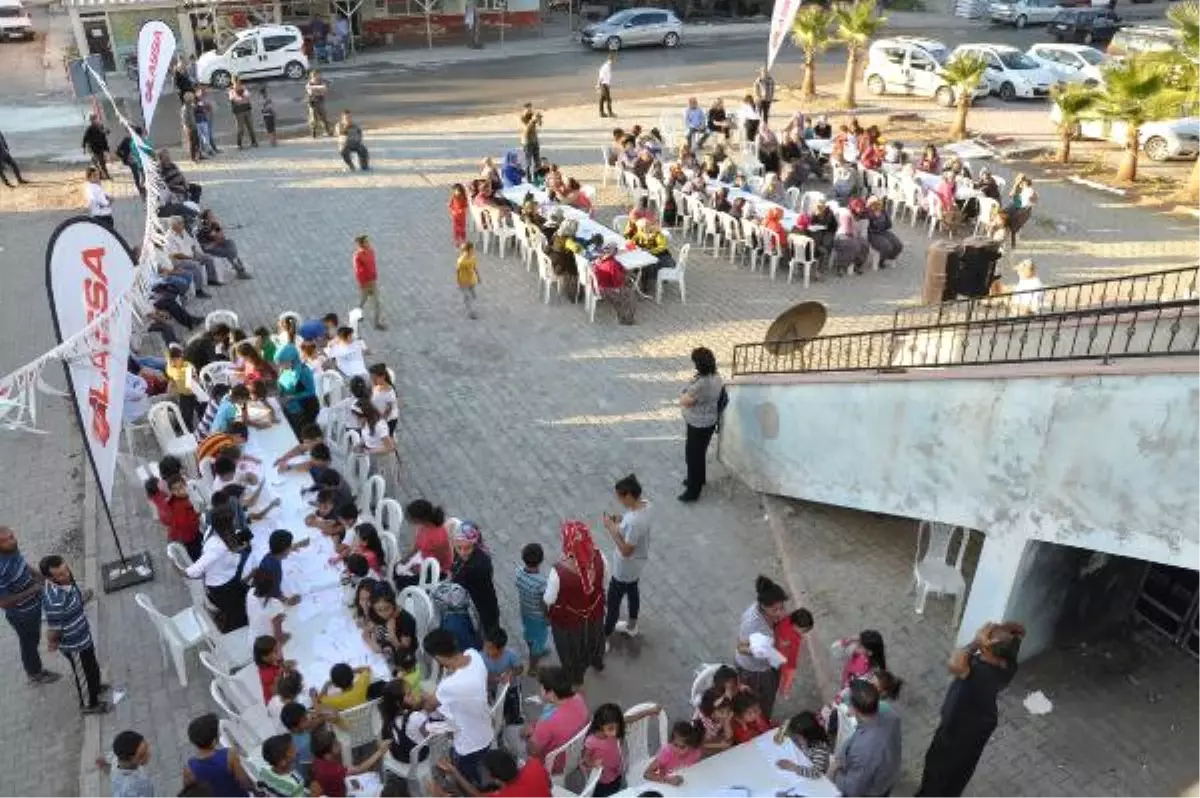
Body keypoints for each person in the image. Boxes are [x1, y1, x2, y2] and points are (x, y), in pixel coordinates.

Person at [915, 621, 1025, 798]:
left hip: (954, 736)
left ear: (989, 646)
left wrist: (975, 642)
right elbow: (1020, 631)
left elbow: (954, 664)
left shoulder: (975, 673)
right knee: (958, 778)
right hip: (977, 731)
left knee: (936, 780)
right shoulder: (1008, 665)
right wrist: (1001, 631)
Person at [424, 628, 494, 786]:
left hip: (467, 744)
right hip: (486, 730)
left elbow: (429, 706)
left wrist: (426, 696)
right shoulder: (474, 655)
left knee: (466, 780)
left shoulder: (449, 685)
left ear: (438, 657)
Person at [39, 555, 108, 714]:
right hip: (73, 644)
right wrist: (52, 642)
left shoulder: (67, 581)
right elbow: (54, 630)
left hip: (83, 635)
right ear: (50, 578)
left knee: (91, 665)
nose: (67, 576)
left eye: (66, 570)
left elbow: (77, 598)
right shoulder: (54, 600)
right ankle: (89, 705)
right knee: (82, 673)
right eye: (61, 575)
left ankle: (96, 687)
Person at [545, 521, 608, 688]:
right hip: (594, 613)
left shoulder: (557, 573)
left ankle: (576, 677)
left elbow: (549, 600)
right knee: (595, 639)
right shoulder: (600, 556)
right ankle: (597, 661)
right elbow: (603, 582)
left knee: (570, 650)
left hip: (569, 620)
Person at [183, 506, 252, 632]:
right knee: (243, 615)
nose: (235, 522)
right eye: (233, 520)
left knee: (250, 594)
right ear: (227, 525)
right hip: (223, 588)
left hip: (229, 580)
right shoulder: (216, 547)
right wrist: (179, 569)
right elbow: (193, 572)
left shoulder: (213, 531)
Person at [830, 682, 902, 798]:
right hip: (887, 777)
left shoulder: (865, 749)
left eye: (848, 704)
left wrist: (835, 773)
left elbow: (853, 790)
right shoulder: (890, 714)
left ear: (853, 710)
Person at [601, 474, 650, 639]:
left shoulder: (634, 522)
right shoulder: (646, 505)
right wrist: (621, 521)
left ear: (629, 495)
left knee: (613, 603)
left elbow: (626, 550)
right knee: (633, 590)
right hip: (638, 564)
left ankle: (605, 636)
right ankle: (632, 625)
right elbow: (629, 525)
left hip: (624, 568)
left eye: (620, 497)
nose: (620, 501)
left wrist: (611, 528)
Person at [735, 575, 789, 719]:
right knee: (760, 704)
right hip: (755, 672)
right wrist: (758, 651)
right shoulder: (753, 625)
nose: (780, 613)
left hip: (768, 664)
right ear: (764, 607)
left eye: (781, 607)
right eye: (775, 610)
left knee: (769, 697)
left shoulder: (765, 611)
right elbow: (741, 647)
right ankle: (762, 725)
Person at [677, 347, 724, 503]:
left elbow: (685, 401)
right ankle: (699, 479)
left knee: (692, 457)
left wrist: (684, 391)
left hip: (698, 424)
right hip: (710, 422)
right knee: (700, 453)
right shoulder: (717, 377)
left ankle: (693, 491)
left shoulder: (700, 384)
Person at [527, 666, 589, 770]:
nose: (540, 689)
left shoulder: (546, 722)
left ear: (551, 693)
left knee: (514, 735)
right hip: (575, 754)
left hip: (554, 765)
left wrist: (530, 735)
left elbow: (533, 752)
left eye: (541, 686)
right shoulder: (579, 699)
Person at [183, 713, 254, 797]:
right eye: (218, 733)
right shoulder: (229, 755)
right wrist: (255, 790)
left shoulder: (189, 769)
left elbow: (190, 792)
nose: (219, 734)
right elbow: (244, 781)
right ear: (213, 741)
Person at [436, 749, 551, 798]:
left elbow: (477, 796)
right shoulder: (534, 765)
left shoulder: (505, 795)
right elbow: (549, 784)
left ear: (494, 778)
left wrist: (454, 771)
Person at [310, 727, 388, 798]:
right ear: (327, 755)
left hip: (340, 787)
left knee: (371, 777)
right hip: (343, 794)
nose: (339, 743)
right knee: (377, 787)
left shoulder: (317, 760)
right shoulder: (333, 771)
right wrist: (380, 752)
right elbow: (359, 769)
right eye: (336, 744)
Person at [451, 521, 499, 633]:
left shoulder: (479, 565)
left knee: (489, 628)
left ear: (474, 545)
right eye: (459, 548)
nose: (462, 552)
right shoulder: (463, 555)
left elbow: (462, 579)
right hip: (472, 599)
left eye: (467, 548)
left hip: (483, 602)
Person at [146, 473, 202, 560]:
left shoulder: (155, 499)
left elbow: (159, 517)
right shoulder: (172, 501)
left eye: (181, 487)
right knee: (195, 551)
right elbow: (187, 523)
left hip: (179, 532)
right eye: (176, 489)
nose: (180, 490)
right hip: (188, 535)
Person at [516, 543, 550, 669]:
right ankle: (533, 667)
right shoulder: (541, 583)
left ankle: (532, 647)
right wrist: (547, 617)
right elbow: (543, 603)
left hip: (525, 611)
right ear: (541, 560)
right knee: (539, 640)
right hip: (538, 617)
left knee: (529, 633)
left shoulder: (518, 572)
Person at [275, 344, 319, 435]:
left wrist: (293, 397)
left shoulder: (304, 371)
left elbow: (311, 392)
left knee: (301, 434)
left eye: (283, 363)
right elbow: (284, 383)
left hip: (306, 408)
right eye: (279, 363)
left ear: (292, 359)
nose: (281, 366)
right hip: (291, 408)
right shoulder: (286, 369)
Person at [643, 721, 704, 786]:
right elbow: (647, 774)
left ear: (691, 746)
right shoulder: (666, 753)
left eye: (682, 747)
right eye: (675, 745)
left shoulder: (695, 752)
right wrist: (668, 780)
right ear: (671, 741)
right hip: (667, 785)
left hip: (688, 783)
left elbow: (697, 768)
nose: (677, 750)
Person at [774, 711, 832, 778]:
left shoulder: (820, 749)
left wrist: (794, 767)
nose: (797, 739)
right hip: (805, 762)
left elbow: (816, 773)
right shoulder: (807, 739)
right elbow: (789, 731)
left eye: (799, 737)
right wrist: (782, 733)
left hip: (814, 773)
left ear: (808, 736)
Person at [104, 729, 154, 798]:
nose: (148, 755)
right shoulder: (128, 790)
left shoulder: (117, 756)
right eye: (141, 756)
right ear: (130, 759)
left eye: (147, 749)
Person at [245, 568, 288, 643]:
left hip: (252, 638)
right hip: (267, 644)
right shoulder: (275, 604)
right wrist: (287, 636)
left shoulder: (250, 593)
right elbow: (278, 637)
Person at [864, 196, 902, 267]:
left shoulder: (883, 211)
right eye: (874, 204)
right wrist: (874, 216)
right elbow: (865, 226)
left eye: (878, 203)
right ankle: (880, 261)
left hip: (884, 232)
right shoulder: (867, 213)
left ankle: (889, 257)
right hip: (873, 234)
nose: (876, 205)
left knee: (898, 245)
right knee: (887, 246)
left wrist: (884, 217)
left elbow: (889, 225)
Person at [114, 126, 144, 197]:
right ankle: (140, 190)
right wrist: (125, 157)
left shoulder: (140, 141)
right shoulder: (126, 140)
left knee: (142, 174)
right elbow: (118, 151)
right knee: (136, 175)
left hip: (140, 160)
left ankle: (143, 188)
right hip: (132, 161)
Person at [84, 166, 115, 230]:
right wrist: (110, 201)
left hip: (98, 217)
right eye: (94, 176)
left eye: (97, 175)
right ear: (89, 178)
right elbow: (104, 203)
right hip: (104, 218)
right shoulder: (95, 188)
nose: (97, 177)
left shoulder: (90, 187)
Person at [228, 79, 257, 149]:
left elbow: (247, 100)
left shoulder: (244, 89)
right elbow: (236, 102)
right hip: (238, 112)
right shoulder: (231, 92)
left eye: (238, 83)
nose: (237, 85)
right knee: (240, 129)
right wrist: (242, 100)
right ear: (233, 83)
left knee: (250, 127)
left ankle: (254, 142)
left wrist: (241, 100)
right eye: (236, 83)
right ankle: (239, 144)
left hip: (247, 110)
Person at [457, 240, 481, 320]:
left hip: (471, 280)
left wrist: (478, 277)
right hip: (463, 281)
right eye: (472, 249)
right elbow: (458, 271)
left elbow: (475, 267)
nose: (473, 251)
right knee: (468, 296)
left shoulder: (473, 258)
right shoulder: (461, 261)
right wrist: (459, 282)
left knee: (474, 296)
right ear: (468, 250)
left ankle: (467, 301)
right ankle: (471, 312)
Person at [305, 71, 334, 137]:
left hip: (320, 101)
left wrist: (320, 89)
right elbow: (311, 91)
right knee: (313, 119)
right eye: (315, 76)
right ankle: (313, 132)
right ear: (312, 76)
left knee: (323, 117)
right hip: (312, 103)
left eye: (318, 75)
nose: (317, 77)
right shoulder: (309, 83)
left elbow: (324, 90)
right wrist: (320, 89)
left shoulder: (321, 81)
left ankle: (327, 131)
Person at [519, 103, 543, 177]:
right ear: (524, 109)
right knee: (528, 162)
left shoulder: (532, 115)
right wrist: (532, 120)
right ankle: (528, 178)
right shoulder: (522, 117)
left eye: (531, 108)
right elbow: (526, 130)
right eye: (528, 109)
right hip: (527, 142)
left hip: (535, 141)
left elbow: (540, 124)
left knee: (537, 161)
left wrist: (539, 119)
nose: (530, 110)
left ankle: (536, 177)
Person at [181, 92, 202, 162]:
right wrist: (188, 127)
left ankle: (199, 155)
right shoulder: (185, 108)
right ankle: (193, 158)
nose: (192, 99)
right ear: (188, 99)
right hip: (190, 128)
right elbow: (184, 119)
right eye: (191, 98)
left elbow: (195, 108)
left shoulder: (190, 106)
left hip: (194, 126)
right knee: (192, 143)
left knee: (197, 142)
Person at [449, 183, 470, 247]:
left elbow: (466, 206)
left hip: (462, 216)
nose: (457, 192)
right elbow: (450, 205)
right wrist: (452, 211)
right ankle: (457, 241)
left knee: (462, 228)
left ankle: (463, 240)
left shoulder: (464, 197)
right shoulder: (453, 197)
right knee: (456, 228)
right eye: (456, 191)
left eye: (458, 191)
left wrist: (463, 210)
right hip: (455, 216)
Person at [597, 53, 615, 118]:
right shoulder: (606, 67)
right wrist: (598, 84)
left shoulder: (607, 66)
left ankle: (601, 113)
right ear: (611, 59)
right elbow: (601, 76)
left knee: (602, 99)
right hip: (604, 85)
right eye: (614, 59)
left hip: (605, 84)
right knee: (608, 99)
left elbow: (606, 76)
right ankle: (610, 113)